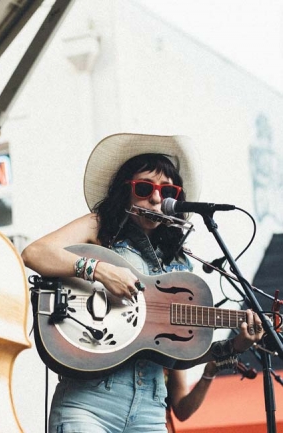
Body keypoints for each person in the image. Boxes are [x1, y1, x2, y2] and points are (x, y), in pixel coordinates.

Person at [21, 133, 264, 432]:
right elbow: (34, 253)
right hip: (88, 402)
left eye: (168, 191)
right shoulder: (100, 226)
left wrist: (234, 345)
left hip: (150, 410)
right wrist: (98, 270)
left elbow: (178, 353)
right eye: (144, 188)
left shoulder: (179, 264)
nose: (156, 198)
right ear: (125, 191)